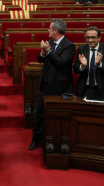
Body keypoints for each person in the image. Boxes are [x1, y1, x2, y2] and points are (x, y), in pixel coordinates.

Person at [29, 19, 75, 150]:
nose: (47, 30)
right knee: (38, 114)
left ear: (55, 30)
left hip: (59, 87)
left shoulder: (69, 46)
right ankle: (35, 139)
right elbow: (39, 59)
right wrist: (43, 53)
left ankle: (54, 141)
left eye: (49, 28)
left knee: (55, 115)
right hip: (44, 85)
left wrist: (49, 52)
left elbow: (61, 62)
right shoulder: (49, 42)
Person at [73, 27, 104, 98]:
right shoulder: (82, 49)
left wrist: (99, 64)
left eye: (93, 37)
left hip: (101, 89)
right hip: (85, 88)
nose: (90, 40)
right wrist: (82, 66)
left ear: (99, 38)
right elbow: (75, 70)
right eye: (88, 37)